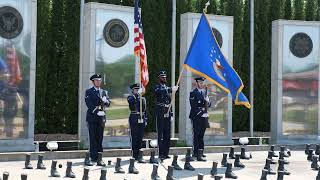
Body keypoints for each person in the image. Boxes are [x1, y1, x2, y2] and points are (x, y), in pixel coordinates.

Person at [85, 74, 110, 166]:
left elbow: (108, 103)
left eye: (99, 80)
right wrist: (96, 111)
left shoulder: (104, 92)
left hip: (101, 116)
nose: (98, 82)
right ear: (93, 82)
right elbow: (89, 104)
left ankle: (99, 157)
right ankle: (93, 157)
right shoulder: (89, 91)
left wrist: (106, 101)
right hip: (92, 116)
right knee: (93, 137)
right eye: (96, 80)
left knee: (100, 137)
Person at [153, 70, 178, 160]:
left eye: (165, 77)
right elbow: (159, 92)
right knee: (161, 134)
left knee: (167, 134)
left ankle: (166, 153)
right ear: (159, 78)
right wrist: (170, 89)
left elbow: (169, 102)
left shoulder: (166, 88)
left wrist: (171, 114)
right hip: (160, 112)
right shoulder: (157, 87)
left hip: (167, 112)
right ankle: (160, 153)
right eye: (162, 77)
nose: (164, 78)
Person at [189, 77, 211, 161]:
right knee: (196, 134)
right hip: (196, 116)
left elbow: (208, 105)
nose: (201, 84)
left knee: (201, 134)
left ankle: (201, 151)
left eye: (202, 82)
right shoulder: (193, 93)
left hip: (204, 117)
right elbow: (193, 106)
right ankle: (195, 152)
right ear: (196, 83)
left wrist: (208, 101)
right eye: (200, 82)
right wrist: (201, 113)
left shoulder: (205, 92)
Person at [127, 83, 147, 163]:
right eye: (135, 89)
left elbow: (145, 110)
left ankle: (139, 155)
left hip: (141, 119)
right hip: (134, 118)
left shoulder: (143, 98)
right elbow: (132, 103)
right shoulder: (130, 97)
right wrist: (138, 95)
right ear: (132, 90)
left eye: (138, 89)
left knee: (140, 137)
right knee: (134, 137)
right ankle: (134, 155)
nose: (137, 90)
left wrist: (145, 119)